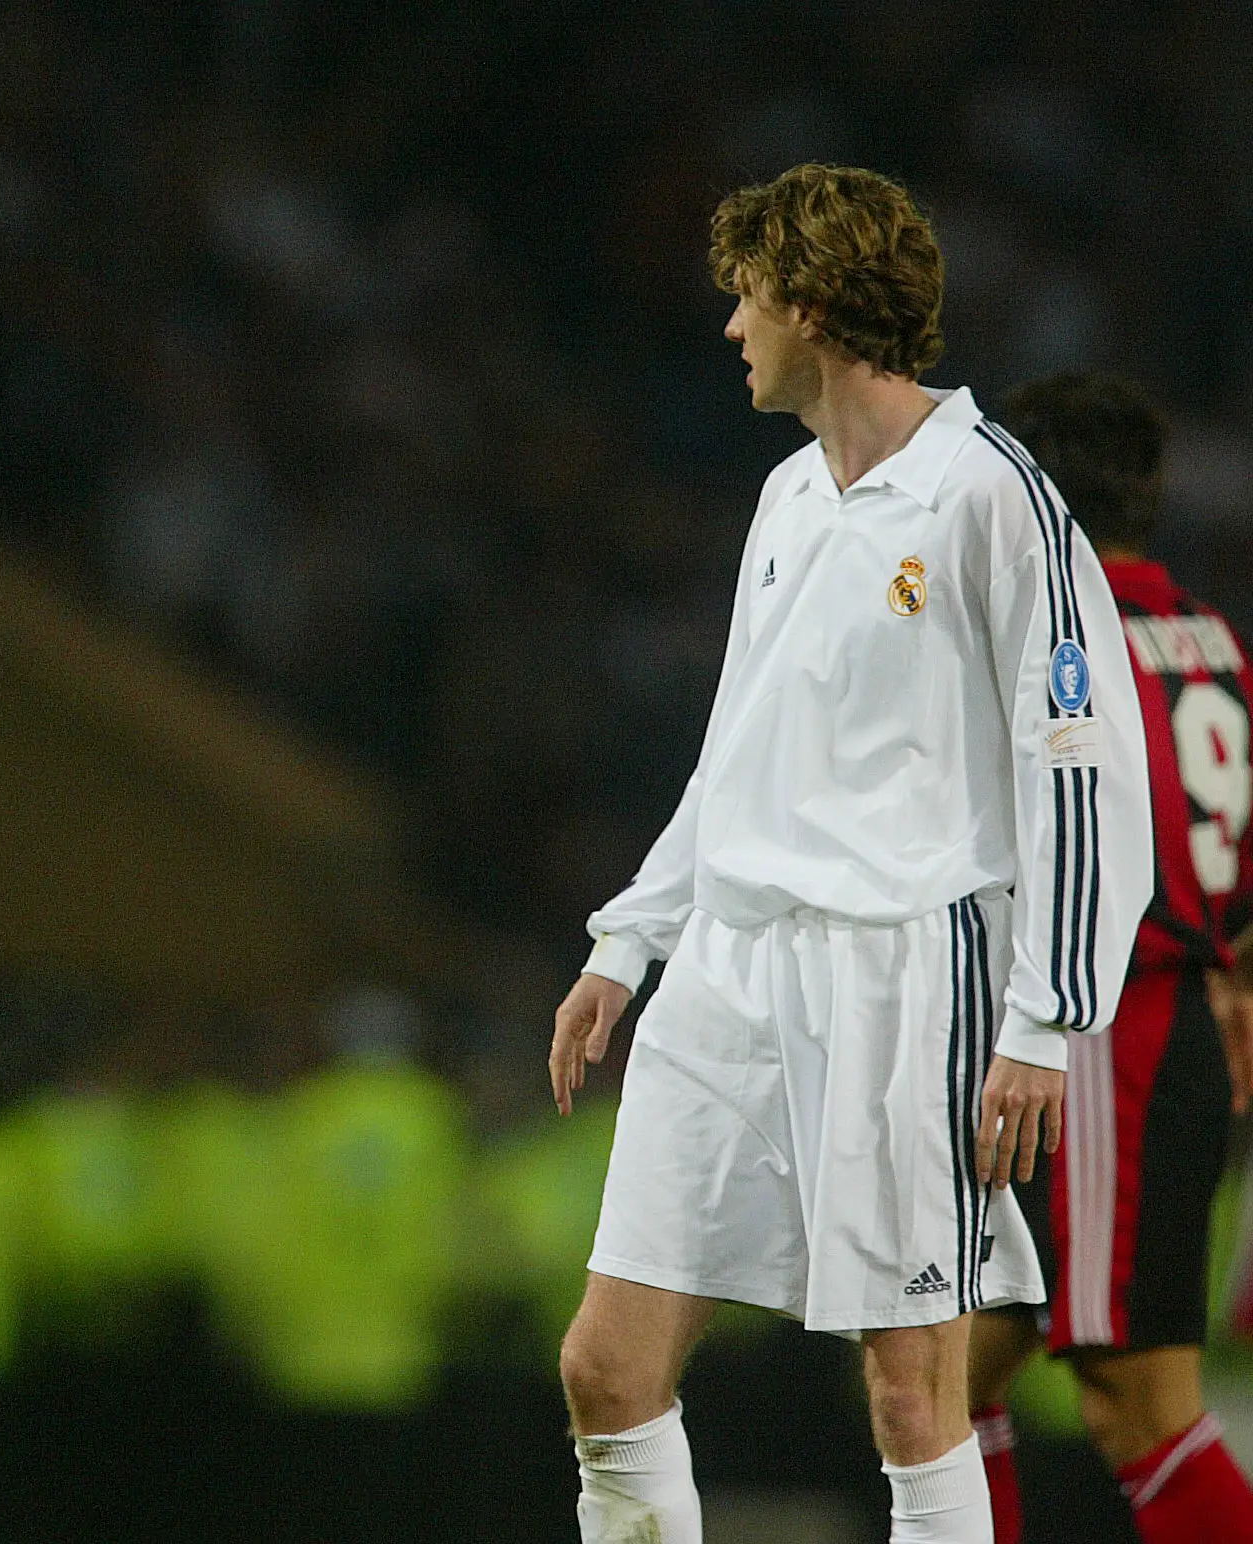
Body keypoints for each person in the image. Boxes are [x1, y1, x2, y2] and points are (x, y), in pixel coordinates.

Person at [546, 163, 1153, 1544]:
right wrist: (629, 938)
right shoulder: (786, 498)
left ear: (814, 306)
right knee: (604, 1366)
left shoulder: (992, 497)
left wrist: (1044, 1020)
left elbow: (1079, 770)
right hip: (731, 965)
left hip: (902, 972)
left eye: (748, 296)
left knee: (907, 1395)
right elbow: (737, 747)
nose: (731, 327)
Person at [963, 372, 1253, 1544]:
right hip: (1165, 1020)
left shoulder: (1071, 645)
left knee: (1134, 1406)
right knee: (938, 1373)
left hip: (1103, 1035)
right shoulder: (1209, 639)